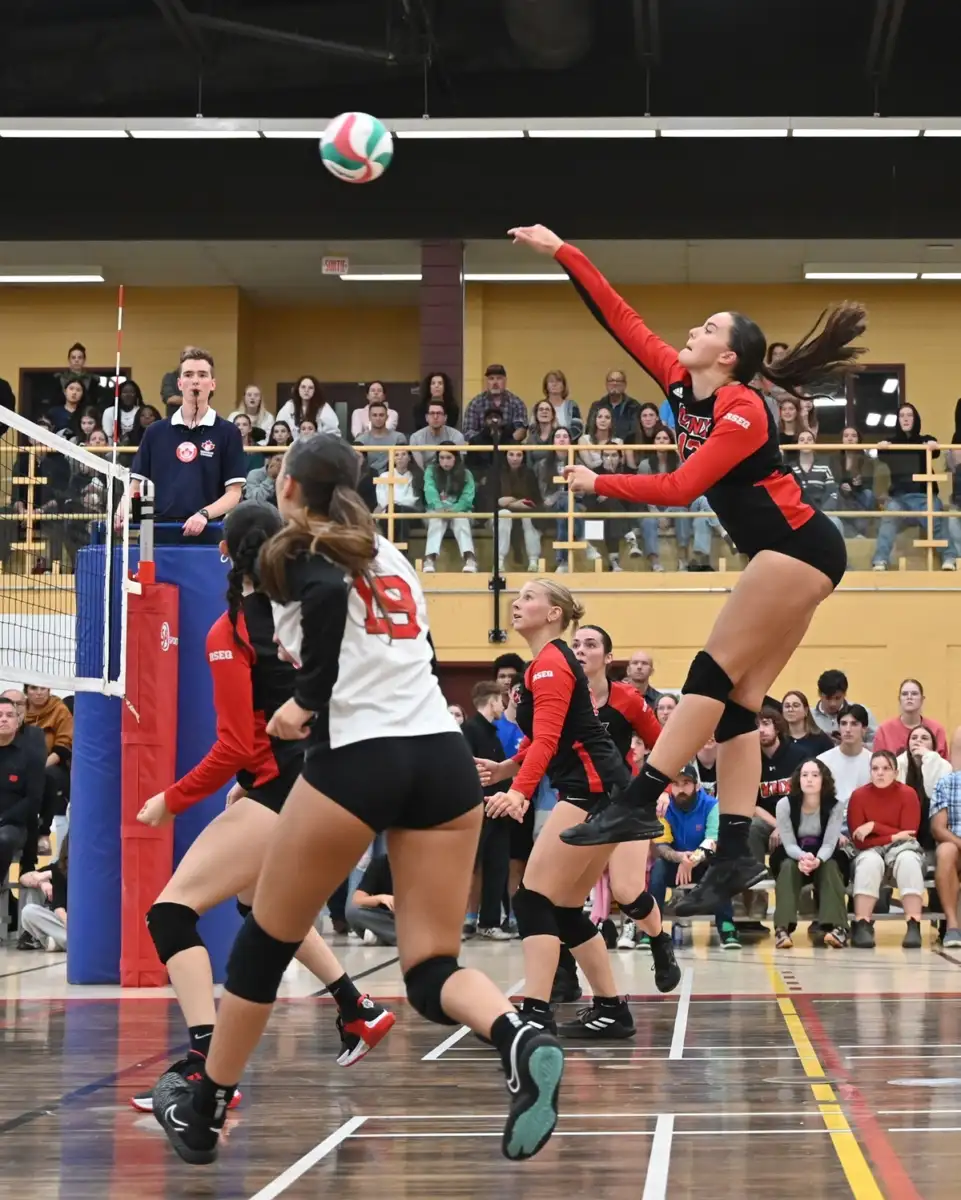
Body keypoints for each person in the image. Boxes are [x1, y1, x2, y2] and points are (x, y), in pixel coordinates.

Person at [152, 435, 563, 1167]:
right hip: (440, 757)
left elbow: (325, 593)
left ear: (287, 490)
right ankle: (518, 1036)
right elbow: (421, 654)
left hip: (361, 754)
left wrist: (306, 702)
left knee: (264, 940)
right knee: (431, 970)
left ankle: (206, 1107)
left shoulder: (292, 552)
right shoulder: (392, 555)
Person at [510, 225, 862, 919]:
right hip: (786, 556)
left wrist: (597, 481)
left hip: (800, 548)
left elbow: (679, 488)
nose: (690, 333)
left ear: (727, 356)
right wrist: (562, 252)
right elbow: (618, 315)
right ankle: (734, 848)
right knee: (737, 703)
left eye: (705, 328)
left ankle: (637, 802)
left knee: (708, 671)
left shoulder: (742, 409)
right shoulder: (678, 379)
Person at [133, 502, 394, 1111]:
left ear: (226, 552)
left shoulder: (233, 628)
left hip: (283, 790)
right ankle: (358, 1008)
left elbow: (233, 744)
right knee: (261, 906)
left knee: (170, 916)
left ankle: (205, 1064)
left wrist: (170, 801)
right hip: (327, 781)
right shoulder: (316, 610)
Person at [478, 580, 670, 1040]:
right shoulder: (542, 665)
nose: (517, 602)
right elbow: (551, 738)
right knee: (562, 908)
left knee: (531, 899)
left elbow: (547, 740)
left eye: (528, 597)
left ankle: (537, 1014)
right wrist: (508, 771)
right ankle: (610, 1009)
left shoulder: (550, 664)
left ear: (554, 613)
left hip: (594, 794)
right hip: (597, 793)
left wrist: (521, 793)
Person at [570, 624, 681, 983]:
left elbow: (663, 746)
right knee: (557, 894)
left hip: (626, 801)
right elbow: (537, 744)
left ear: (608, 657)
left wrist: (659, 789)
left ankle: (659, 942)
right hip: (578, 802)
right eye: (575, 645)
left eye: (590, 644)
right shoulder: (561, 697)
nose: (581, 650)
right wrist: (510, 771)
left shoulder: (627, 698)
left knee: (627, 891)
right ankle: (563, 975)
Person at [121, 348, 247, 539]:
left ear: (212, 384)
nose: (195, 380)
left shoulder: (228, 432)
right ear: (180, 383)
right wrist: (122, 511)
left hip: (208, 532)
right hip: (158, 534)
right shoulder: (155, 432)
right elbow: (136, 486)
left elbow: (234, 493)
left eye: (202, 375)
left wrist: (203, 514)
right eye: (188, 375)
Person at [772, 760, 849, 949]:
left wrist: (818, 860)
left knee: (831, 866)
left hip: (824, 853)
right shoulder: (785, 804)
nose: (809, 779)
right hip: (794, 853)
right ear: (798, 779)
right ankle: (783, 929)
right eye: (805, 775)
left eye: (815, 775)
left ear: (824, 779)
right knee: (787, 867)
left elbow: (831, 842)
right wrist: (802, 857)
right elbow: (788, 842)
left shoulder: (835, 806)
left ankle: (838, 928)